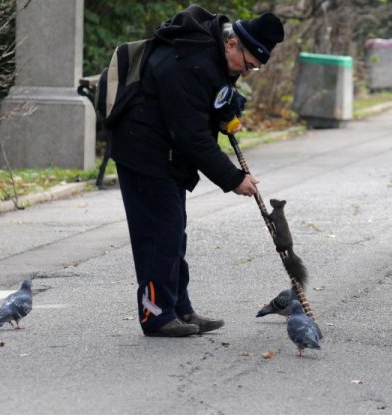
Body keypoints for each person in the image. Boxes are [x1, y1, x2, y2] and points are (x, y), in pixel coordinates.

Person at [110, 5, 285, 337]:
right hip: (142, 149)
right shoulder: (190, 62)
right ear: (232, 44)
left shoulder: (214, 57)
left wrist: (225, 109)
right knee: (158, 234)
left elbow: (203, 108)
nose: (248, 72)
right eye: (249, 64)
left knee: (174, 233)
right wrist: (233, 178)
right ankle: (156, 316)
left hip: (168, 154)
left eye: (255, 69)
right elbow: (190, 135)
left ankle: (180, 309)